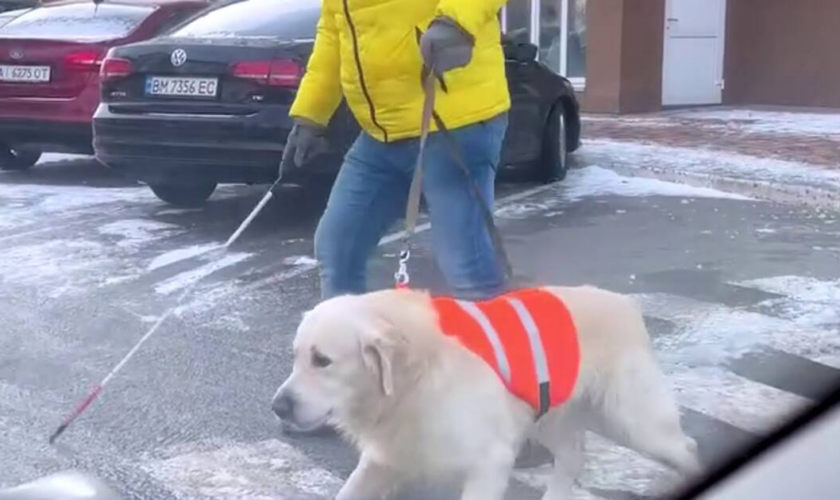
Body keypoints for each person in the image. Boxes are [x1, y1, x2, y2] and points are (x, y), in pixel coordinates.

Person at [282, 0, 511, 305]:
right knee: (338, 246)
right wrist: (310, 116)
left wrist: (457, 22)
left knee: (465, 265)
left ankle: (498, 348)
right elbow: (333, 34)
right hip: (382, 131)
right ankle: (347, 350)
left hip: (453, 119)